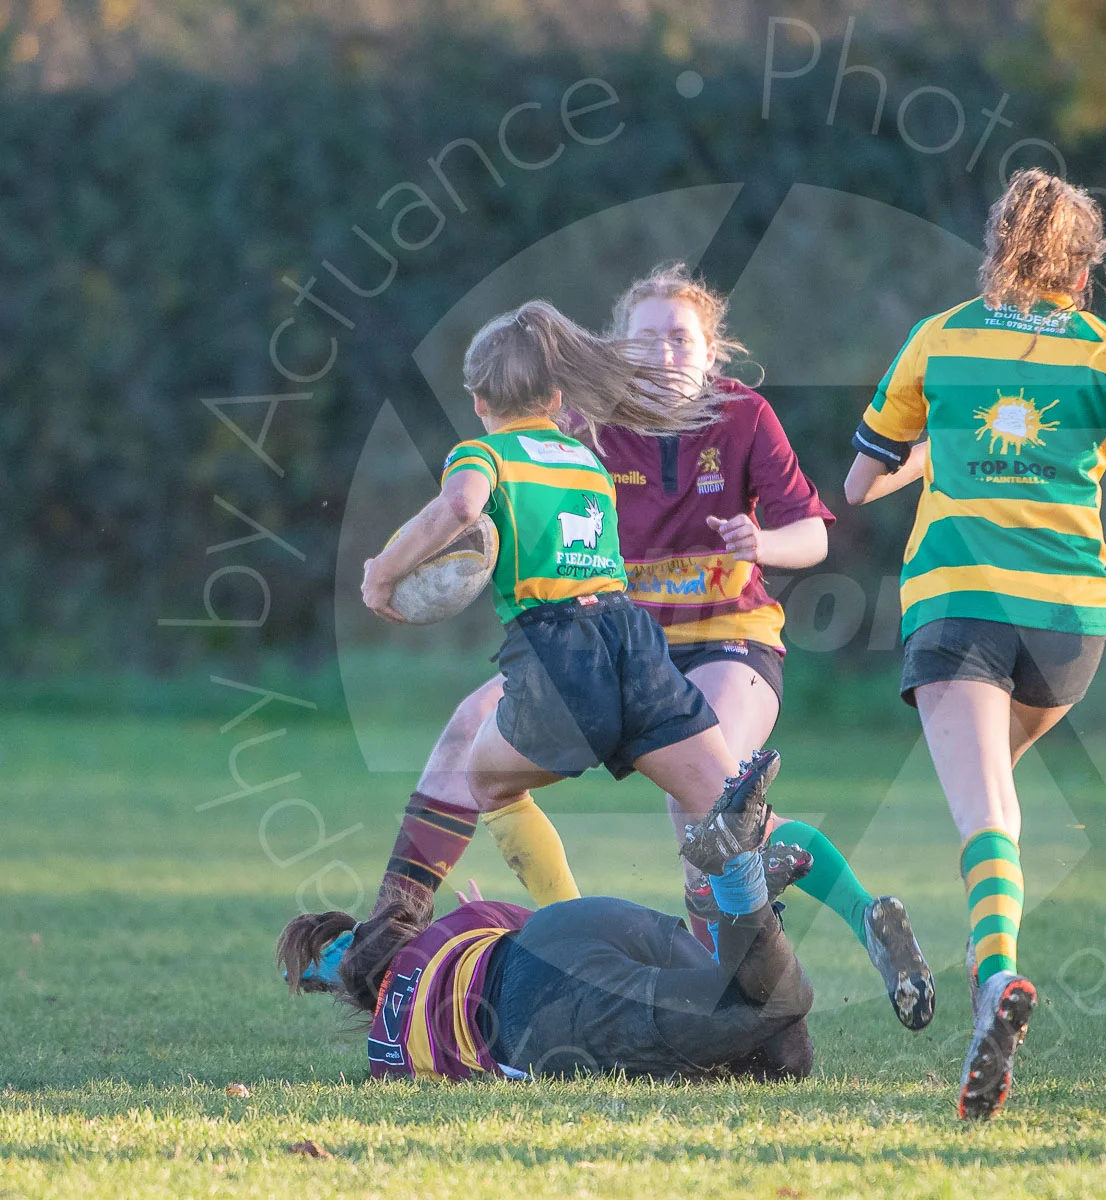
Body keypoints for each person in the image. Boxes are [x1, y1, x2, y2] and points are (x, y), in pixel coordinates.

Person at [351, 270, 935, 1033]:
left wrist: (764, 542)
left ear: (711, 350)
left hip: (731, 639)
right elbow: (516, 480)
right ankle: (389, 928)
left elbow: (815, 536)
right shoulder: (586, 428)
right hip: (620, 646)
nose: (663, 349)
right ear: (617, 351)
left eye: (680, 335)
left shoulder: (745, 417)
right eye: (646, 336)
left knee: (708, 808)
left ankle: (828, 931)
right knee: (470, 727)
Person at [844, 168, 1106, 1118]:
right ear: (1084, 273)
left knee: (986, 816)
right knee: (996, 797)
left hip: (959, 600)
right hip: (1069, 624)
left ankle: (995, 976)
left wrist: (931, 452)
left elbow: (857, 484)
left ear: (997, 248)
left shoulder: (942, 335)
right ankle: (984, 967)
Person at [360, 300, 783, 918]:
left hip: (560, 655)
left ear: (479, 401)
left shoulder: (486, 454)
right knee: (718, 804)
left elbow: (458, 508)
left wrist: (384, 573)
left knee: (485, 780)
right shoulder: (586, 461)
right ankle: (778, 890)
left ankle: (571, 926)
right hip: (633, 642)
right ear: (558, 401)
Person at [278, 747, 817, 1082]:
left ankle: (736, 889)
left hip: (533, 1012)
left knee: (780, 1009)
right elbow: (549, 920)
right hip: (565, 928)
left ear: (363, 994)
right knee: (785, 1051)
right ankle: (735, 896)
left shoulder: (387, 1052)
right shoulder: (457, 929)